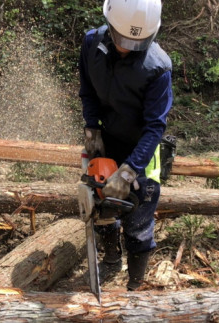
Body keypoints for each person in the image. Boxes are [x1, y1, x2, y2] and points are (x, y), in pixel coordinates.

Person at [79, 0, 173, 291]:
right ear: (109, 24)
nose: (126, 48)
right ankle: (110, 259)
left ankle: (135, 285)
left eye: (137, 42)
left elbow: (155, 126)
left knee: (138, 217)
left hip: (143, 148)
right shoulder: (91, 44)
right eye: (121, 40)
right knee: (101, 204)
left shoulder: (158, 68)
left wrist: (130, 170)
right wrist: (92, 128)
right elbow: (87, 90)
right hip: (108, 137)